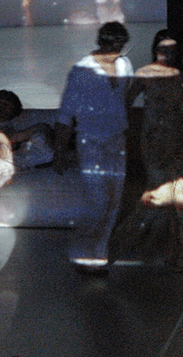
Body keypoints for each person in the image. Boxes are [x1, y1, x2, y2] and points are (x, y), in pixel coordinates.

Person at [55, 21, 133, 268]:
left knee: (114, 199)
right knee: (97, 198)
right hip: (90, 142)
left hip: (116, 139)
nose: (116, 49)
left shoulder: (124, 65)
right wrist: (59, 150)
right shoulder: (81, 71)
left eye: (120, 44)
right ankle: (82, 251)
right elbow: (66, 114)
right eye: (111, 43)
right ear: (101, 42)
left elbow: (124, 97)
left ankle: (98, 253)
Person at [114, 31, 183, 266]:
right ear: (155, 49)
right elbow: (125, 104)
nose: (168, 54)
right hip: (154, 138)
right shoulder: (144, 74)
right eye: (163, 49)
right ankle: (131, 243)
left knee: (179, 192)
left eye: (172, 49)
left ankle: (174, 251)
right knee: (161, 192)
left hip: (178, 136)